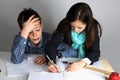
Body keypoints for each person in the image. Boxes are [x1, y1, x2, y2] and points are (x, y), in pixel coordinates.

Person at [46, 2, 102, 72]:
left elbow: (95, 52)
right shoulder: (64, 24)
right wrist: (50, 62)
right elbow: (53, 45)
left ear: (88, 24)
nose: (75, 30)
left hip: (83, 61)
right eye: (72, 26)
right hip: (65, 57)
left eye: (79, 27)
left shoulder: (93, 28)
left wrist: (82, 63)